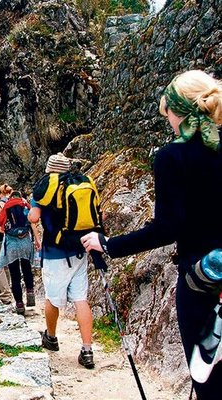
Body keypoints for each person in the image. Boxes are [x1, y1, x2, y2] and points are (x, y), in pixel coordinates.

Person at [81, 70, 222, 398]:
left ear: (178, 111)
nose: (167, 122)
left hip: (203, 284)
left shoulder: (173, 156)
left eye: (167, 114)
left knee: (210, 381)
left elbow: (166, 229)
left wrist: (108, 244)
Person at [28, 153, 98, 369]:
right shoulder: (79, 184)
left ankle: (51, 337)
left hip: (55, 252)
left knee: (53, 299)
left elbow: (33, 218)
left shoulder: (45, 189)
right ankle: (87, 350)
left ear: (49, 170)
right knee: (80, 299)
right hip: (79, 249)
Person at [0, 185, 41, 315]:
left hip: (12, 243)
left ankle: (19, 304)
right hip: (25, 240)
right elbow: (32, 222)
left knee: (15, 274)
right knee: (26, 267)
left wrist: (7, 232)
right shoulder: (24, 204)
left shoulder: (3, 206)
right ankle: (30, 291)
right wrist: (37, 240)